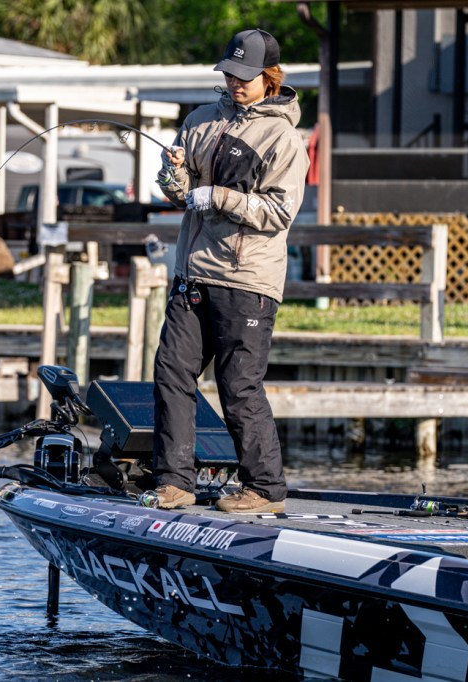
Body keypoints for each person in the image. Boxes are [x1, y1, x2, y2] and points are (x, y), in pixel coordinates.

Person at [147, 28, 309, 512]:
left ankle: (265, 489)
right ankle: (175, 482)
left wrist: (216, 196)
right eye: (229, 74)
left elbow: (279, 212)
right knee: (170, 371)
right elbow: (178, 192)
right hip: (193, 275)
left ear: (269, 77)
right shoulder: (199, 120)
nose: (235, 83)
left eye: (245, 76)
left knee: (238, 385)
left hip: (247, 281)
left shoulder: (283, 138)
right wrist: (174, 172)